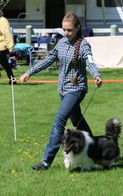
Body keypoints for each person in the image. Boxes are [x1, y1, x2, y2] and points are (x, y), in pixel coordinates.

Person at [20, 12, 103, 171]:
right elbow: (48, 60)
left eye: (70, 30)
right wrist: (29, 72)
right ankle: (95, 151)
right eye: (64, 29)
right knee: (78, 121)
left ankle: (46, 162)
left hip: (76, 89)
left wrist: (96, 75)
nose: (66, 33)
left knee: (59, 121)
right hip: (62, 89)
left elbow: (90, 61)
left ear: (78, 28)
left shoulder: (83, 45)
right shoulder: (61, 43)